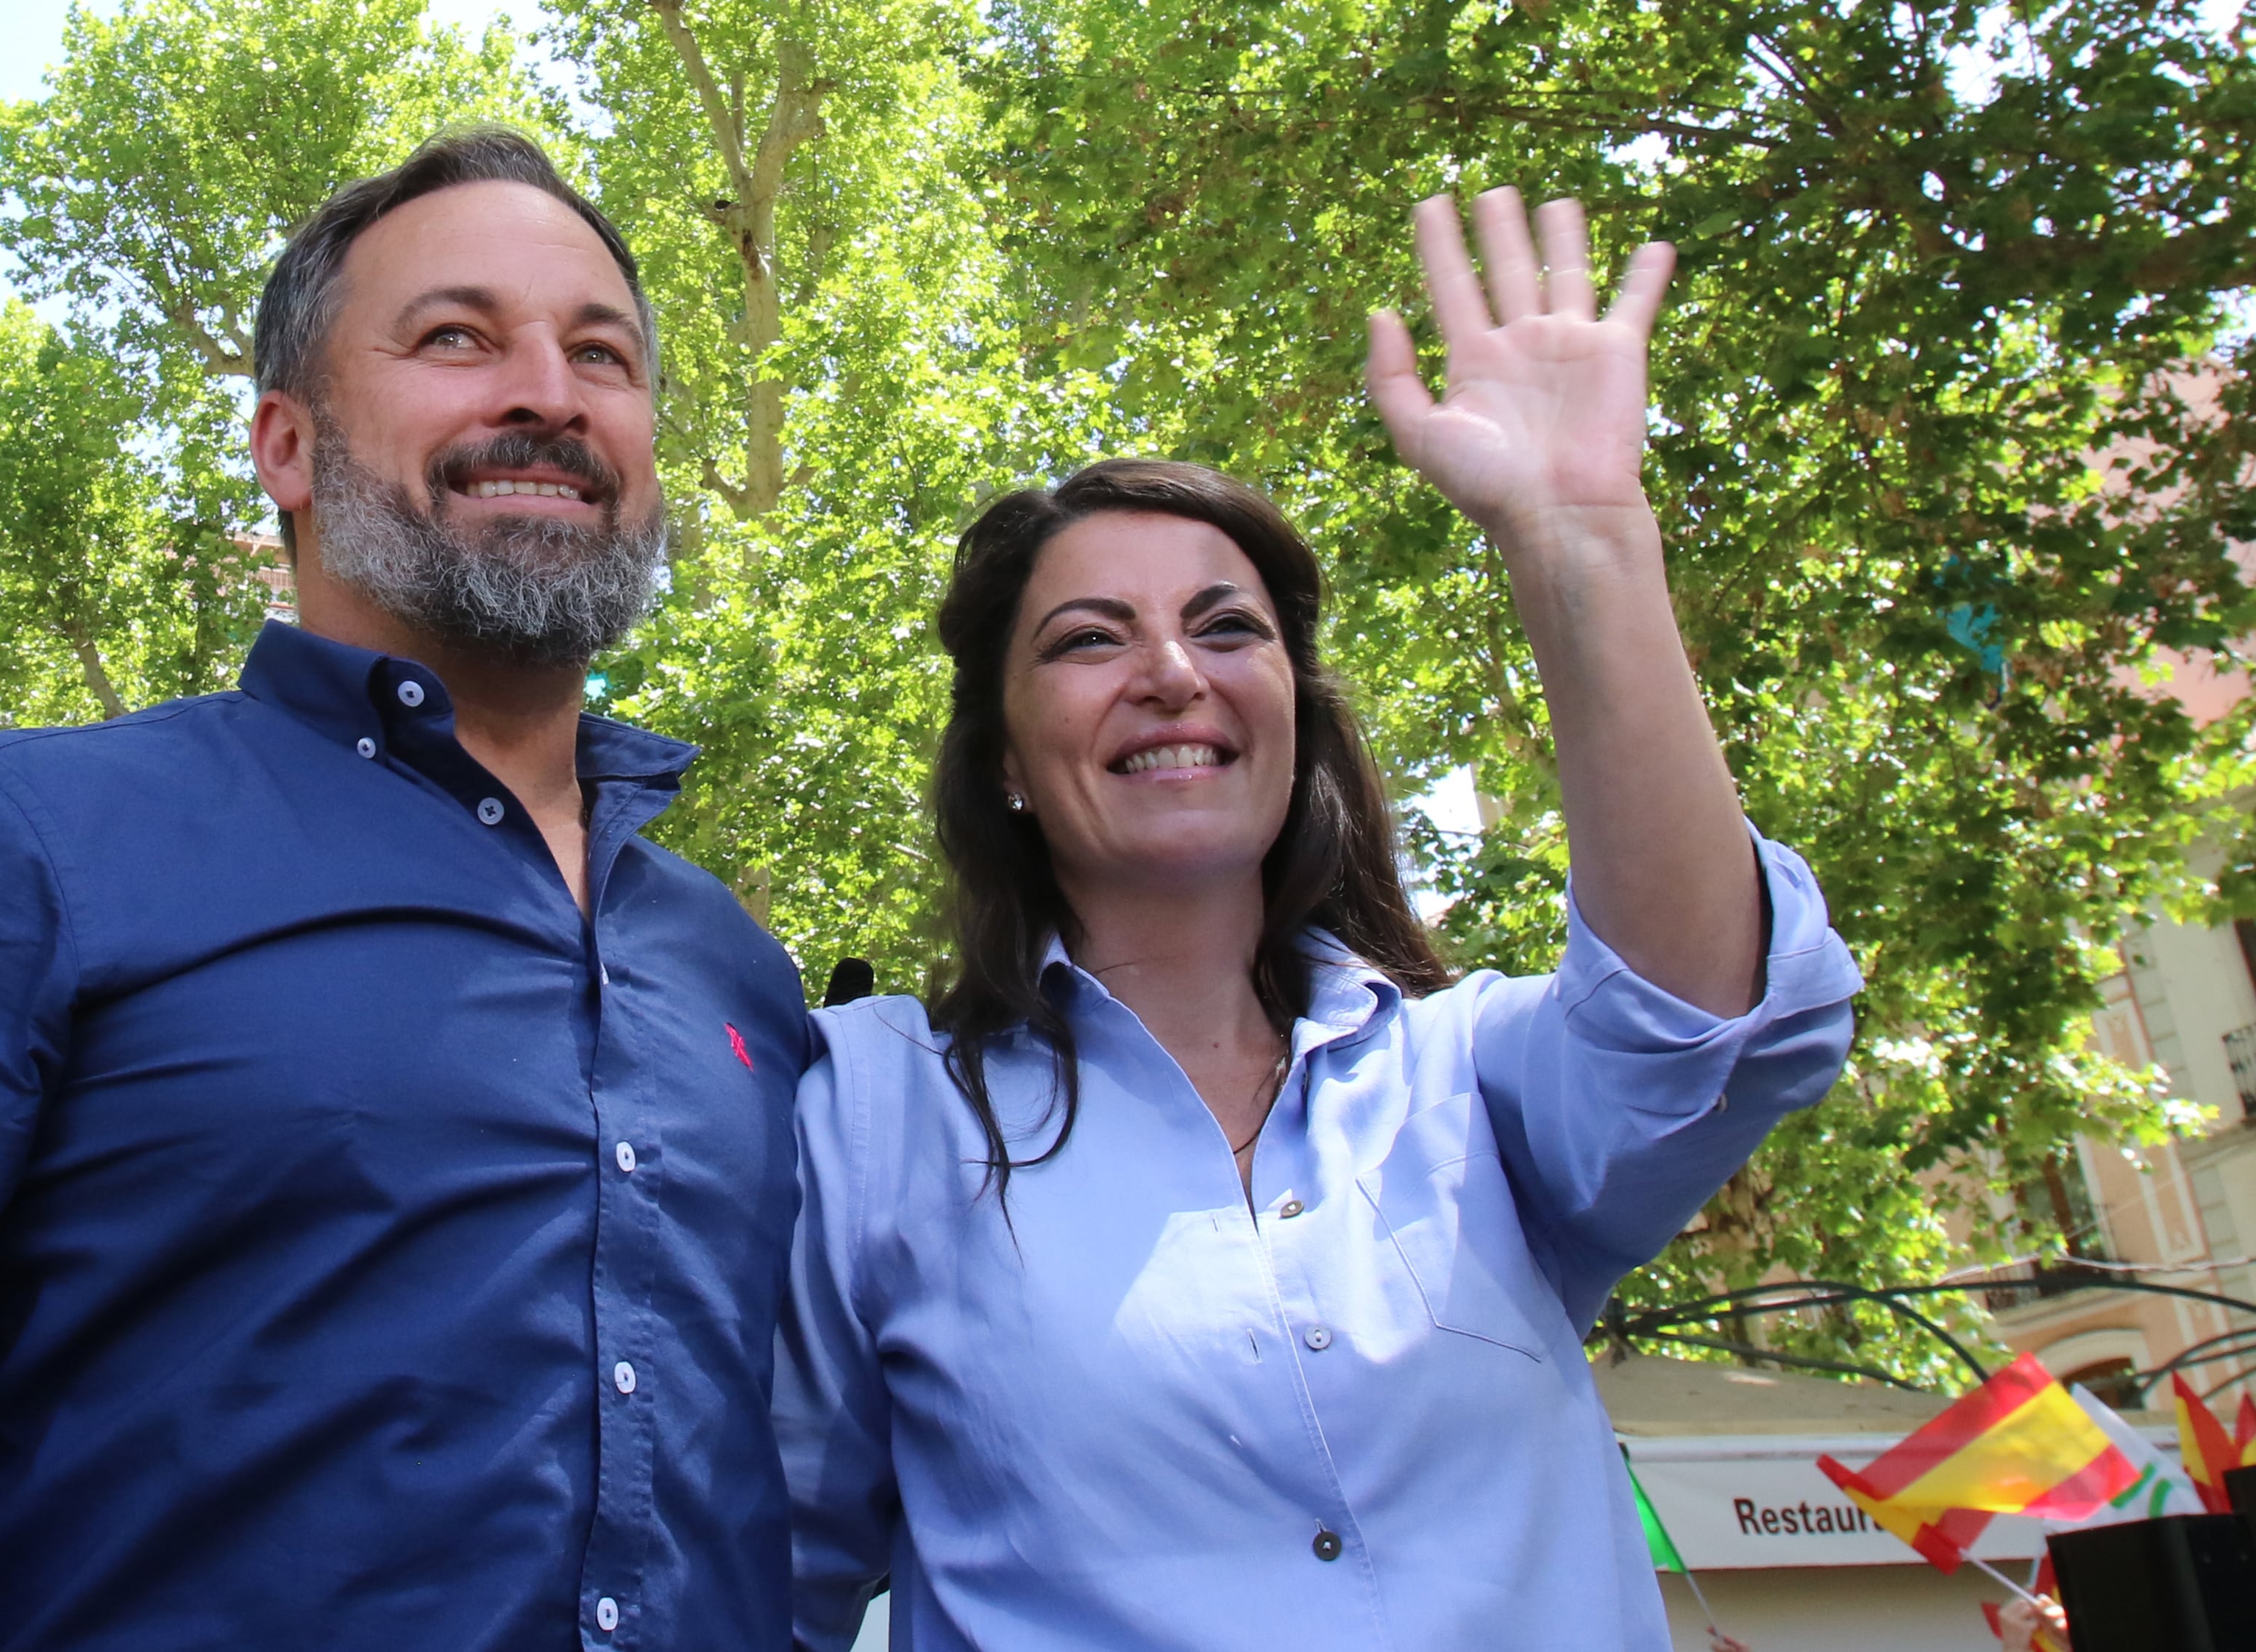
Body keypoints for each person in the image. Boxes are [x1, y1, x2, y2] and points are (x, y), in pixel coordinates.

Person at [775, 191, 1862, 1648]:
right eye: (1091, 640)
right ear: (1007, 767)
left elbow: (1706, 1018)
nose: (1173, 669)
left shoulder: (1472, 1080)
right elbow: (762, 1573)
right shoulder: (871, 1110)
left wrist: (1580, 538)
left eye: (1228, 628)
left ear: (1292, 716)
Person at [0, 128, 807, 1651]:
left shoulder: (735, 967)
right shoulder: (4, 836)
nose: (550, 391)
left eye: (605, 353)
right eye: (457, 336)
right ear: (286, 445)